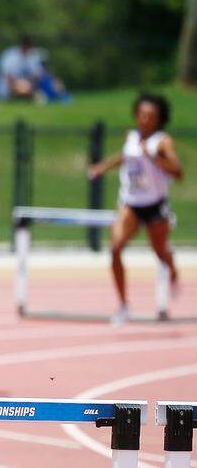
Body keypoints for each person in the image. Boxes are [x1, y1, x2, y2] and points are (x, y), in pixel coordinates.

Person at [88, 92, 183, 324]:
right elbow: (125, 157)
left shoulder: (162, 141)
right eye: (141, 114)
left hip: (155, 204)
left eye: (151, 116)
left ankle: (172, 268)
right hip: (130, 203)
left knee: (159, 251)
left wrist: (154, 158)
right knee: (115, 247)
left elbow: (178, 172)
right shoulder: (131, 137)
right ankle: (123, 304)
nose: (145, 120)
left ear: (159, 119)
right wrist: (102, 167)